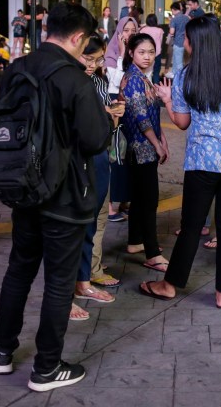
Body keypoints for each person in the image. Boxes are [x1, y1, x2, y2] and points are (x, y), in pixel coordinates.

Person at [0, 2, 112, 393]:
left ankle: (2, 352)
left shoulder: (17, 69)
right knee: (59, 282)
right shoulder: (73, 78)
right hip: (65, 195)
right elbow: (94, 140)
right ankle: (46, 368)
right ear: (78, 37)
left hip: (24, 187)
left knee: (19, 270)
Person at [142, 16, 221, 309]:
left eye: (185, 38)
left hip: (203, 162)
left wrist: (168, 100)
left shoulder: (184, 76)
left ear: (194, 42)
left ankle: (169, 285)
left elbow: (182, 122)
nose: (183, 42)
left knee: (192, 225)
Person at [70, 34, 124, 321]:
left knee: (92, 221)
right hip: (76, 160)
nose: (93, 65)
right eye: (88, 58)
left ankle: (83, 282)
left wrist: (114, 115)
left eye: (98, 59)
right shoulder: (67, 81)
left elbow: (106, 127)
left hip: (100, 156)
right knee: (71, 227)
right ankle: (65, 293)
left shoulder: (100, 82)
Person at [121, 32, 170, 273]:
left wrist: (163, 138)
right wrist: (157, 143)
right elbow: (141, 118)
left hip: (144, 146)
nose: (148, 56)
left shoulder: (142, 77)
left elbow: (151, 114)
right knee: (149, 200)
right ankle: (152, 253)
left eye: (151, 52)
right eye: (142, 52)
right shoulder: (134, 79)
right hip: (141, 148)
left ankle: (134, 242)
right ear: (131, 53)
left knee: (141, 199)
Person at [102, 16, 139, 222]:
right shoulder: (111, 54)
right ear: (119, 32)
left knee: (129, 154)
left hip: (132, 105)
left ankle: (125, 201)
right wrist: (123, 55)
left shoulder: (138, 52)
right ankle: (109, 206)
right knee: (115, 154)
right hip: (116, 104)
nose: (130, 33)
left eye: (134, 29)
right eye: (126, 30)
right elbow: (115, 82)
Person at [166, 1, 189, 78]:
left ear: (173, 9)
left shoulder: (174, 19)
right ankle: (174, 73)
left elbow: (172, 32)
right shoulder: (186, 18)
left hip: (178, 42)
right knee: (178, 60)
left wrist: (171, 26)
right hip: (186, 42)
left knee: (178, 61)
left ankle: (180, 77)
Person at [140, 13, 164, 84]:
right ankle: (156, 90)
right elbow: (160, 42)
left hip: (145, 54)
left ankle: (146, 88)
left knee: (146, 72)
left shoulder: (143, 30)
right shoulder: (160, 30)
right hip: (157, 53)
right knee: (156, 72)